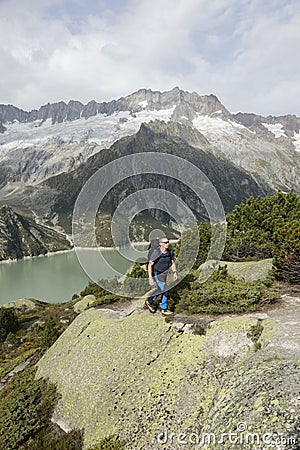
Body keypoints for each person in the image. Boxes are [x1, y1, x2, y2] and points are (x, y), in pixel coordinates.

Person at [145, 236, 178, 316]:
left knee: (160, 289)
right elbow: (150, 265)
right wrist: (150, 277)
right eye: (165, 242)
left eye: (168, 242)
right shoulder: (156, 253)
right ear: (160, 244)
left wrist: (175, 272)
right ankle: (164, 308)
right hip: (157, 273)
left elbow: (172, 262)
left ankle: (149, 301)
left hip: (164, 273)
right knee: (165, 289)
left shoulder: (169, 252)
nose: (167, 244)